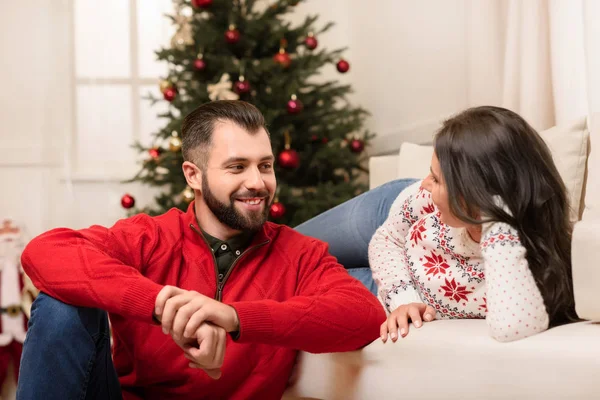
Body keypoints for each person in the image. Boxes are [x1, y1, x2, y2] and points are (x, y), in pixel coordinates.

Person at [17, 100, 385, 400]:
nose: (257, 182)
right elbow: (45, 251)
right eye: (237, 167)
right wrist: (165, 306)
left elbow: (364, 315)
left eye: (266, 166)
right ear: (193, 175)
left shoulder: (298, 253)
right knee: (60, 304)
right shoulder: (151, 236)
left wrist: (232, 317)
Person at [299, 106, 579, 344]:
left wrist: (495, 223)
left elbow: (512, 326)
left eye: (436, 179)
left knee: (289, 278)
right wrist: (403, 299)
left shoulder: (529, 263)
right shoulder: (425, 195)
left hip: (392, 279)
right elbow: (387, 240)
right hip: (392, 223)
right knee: (283, 248)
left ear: (474, 194)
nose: (425, 183)